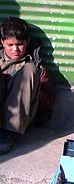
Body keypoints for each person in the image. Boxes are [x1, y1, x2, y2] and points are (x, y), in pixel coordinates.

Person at [0, 16, 55, 154]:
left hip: (19, 116)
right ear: (2, 42)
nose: (15, 50)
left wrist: (33, 90)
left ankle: (8, 134)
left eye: (19, 44)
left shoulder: (35, 64)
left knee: (29, 69)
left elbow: (49, 99)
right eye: (10, 45)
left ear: (27, 42)